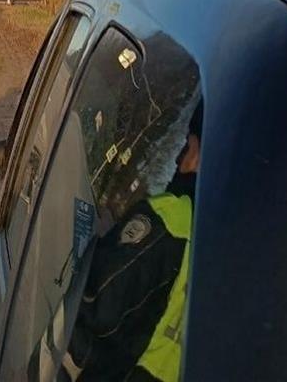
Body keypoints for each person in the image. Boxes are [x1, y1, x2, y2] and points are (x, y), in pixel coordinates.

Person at [61, 107, 201, 382]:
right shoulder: (255, 255)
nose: (179, 160)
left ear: (195, 156)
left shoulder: (172, 220)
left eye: (186, 145)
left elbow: (87, 324)